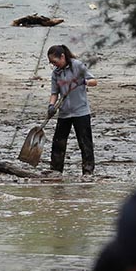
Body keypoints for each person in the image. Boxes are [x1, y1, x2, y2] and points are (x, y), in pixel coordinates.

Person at [46, 45, 96, 179]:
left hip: (81, 111)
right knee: (58, 142)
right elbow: (54, 93)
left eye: (55, 62)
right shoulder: (56, 73)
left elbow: (94, 81)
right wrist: (51, 105)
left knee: (85, 142)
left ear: (62, 56)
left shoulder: (77, 66)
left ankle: (88, 171)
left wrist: (83, 82)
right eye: (52, 63)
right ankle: (56, 170)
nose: (54, 65)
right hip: (64, 113)